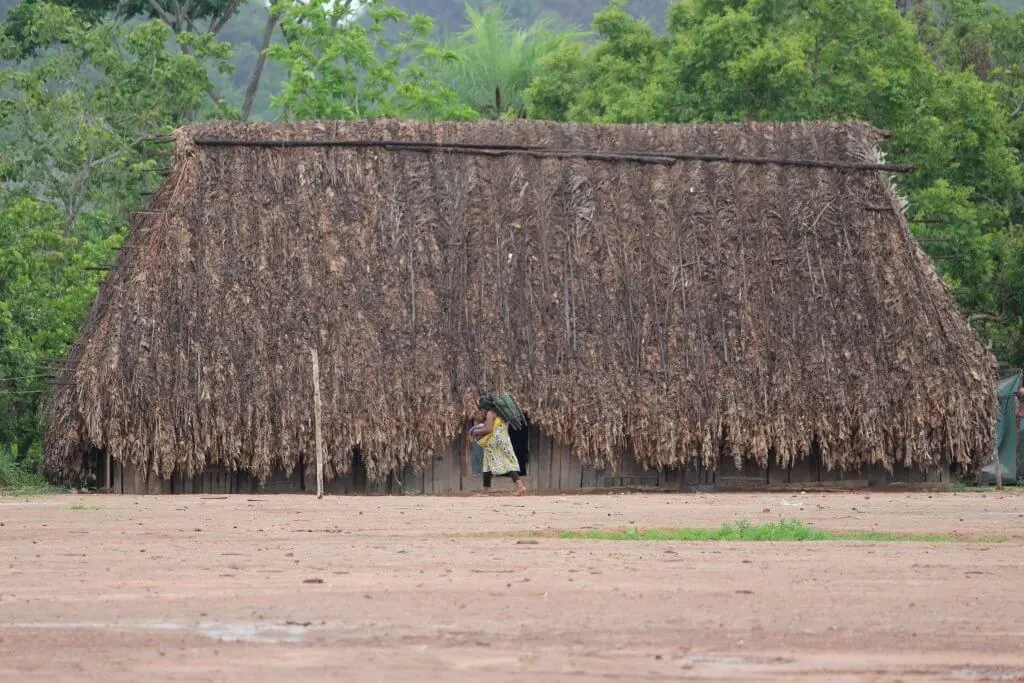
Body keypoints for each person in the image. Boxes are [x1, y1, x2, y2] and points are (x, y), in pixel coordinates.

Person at [468, 394, 526, 495]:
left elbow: (489, 429)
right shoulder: (501, 413)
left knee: (491, 464)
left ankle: (486, 491)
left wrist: (474, 431)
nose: (482, 410)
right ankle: (519, 486)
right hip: (504, 440)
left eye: (482, 408)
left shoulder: (490, 413)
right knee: (503, 463)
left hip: (494, 442)